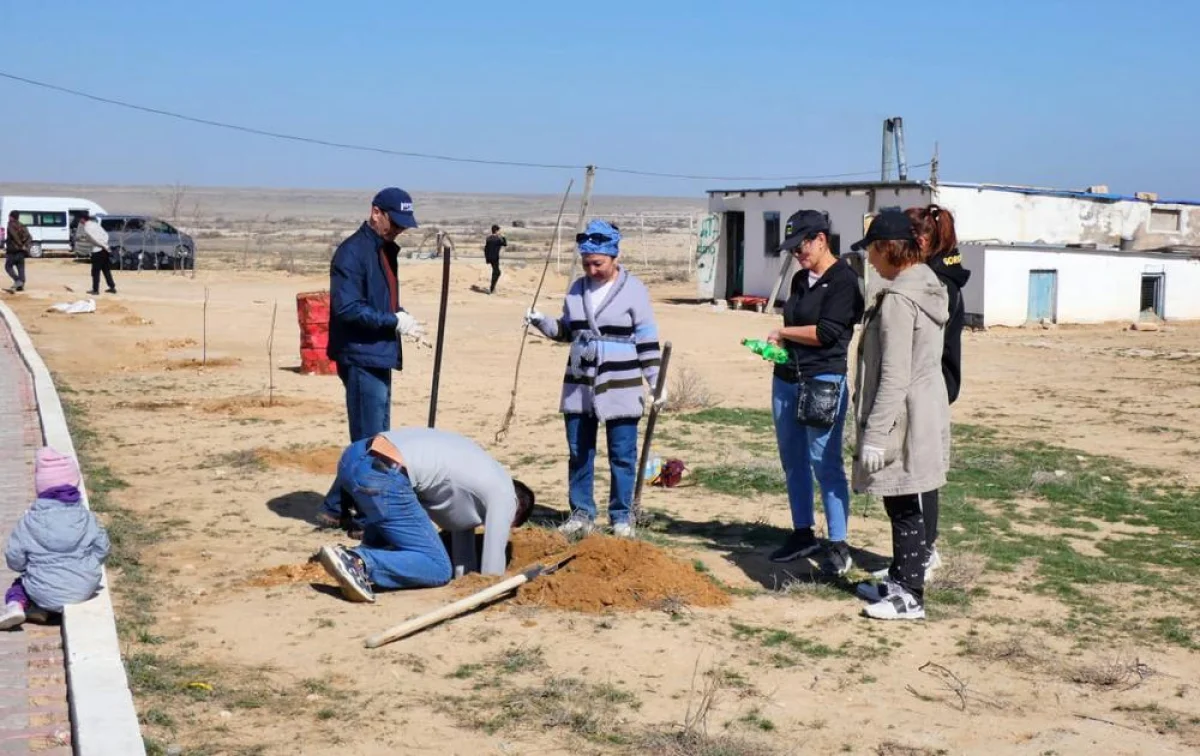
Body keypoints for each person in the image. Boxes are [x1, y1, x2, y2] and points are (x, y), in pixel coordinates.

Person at [525, 220, 664, 538]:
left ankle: (621, 516)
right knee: (579, 450)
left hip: (622, 384)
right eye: (587, 263)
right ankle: (581, 513)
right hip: (580, 382)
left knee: (623, 454)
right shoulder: (576, 288)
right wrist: (541, 322)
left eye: (598, 263)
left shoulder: (634, 290)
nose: (592, 269)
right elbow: (566, 331)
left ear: (614, 257)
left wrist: (656, 380)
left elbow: (646, 338)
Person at [849, 210, 950, 621]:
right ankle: (900, 576)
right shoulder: (928, 286)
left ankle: (910, 594)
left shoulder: (898, 301)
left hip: (904, 413)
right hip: (925, 406)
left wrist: (876, 433)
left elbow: (893, 373)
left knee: (902, 499)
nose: (870, 260)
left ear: (888, 248)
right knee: (905, 496)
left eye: (873, 251)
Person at [317, 429, 536, 603]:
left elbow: (462, 547)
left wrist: (464, 580)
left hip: (354, 458)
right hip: (384, 476)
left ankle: (352, 557)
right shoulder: (505, 494)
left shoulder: (480, 474)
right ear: (515, 510)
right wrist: (492, 590)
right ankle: (357, 562)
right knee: (438, 567)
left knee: (398, 534)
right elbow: (491, 573)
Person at [318, 188, 428, 530]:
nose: (398, 231)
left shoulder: (383, 250)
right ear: (375, 212)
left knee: (374, 437)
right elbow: (347, 308)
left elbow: (379, 301)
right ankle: (352, 510)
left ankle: (337, 506)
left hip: (379, 352)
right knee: (370, 441)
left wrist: (400, 315)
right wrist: (392, 321)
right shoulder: (352, 253)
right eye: (394, 223)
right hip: (361, 355)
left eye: (402, 226)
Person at [765, 210, 865, 575]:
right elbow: (797, 323)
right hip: (787, 377)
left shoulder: (844, 280)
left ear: (821, 239)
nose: (797, 254)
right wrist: (780, 347)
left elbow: (825, 333)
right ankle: (802, 531)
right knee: (793, 460)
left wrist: (783, 333)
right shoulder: (799, 280)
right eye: (792, 249)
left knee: (826, 463)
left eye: (801, 246)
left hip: (823, 382)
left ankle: (838, 542)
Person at [905, 204, 970, 578]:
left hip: (932, 385)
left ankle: (924, 551)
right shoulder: (940, 278)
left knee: (921, 476)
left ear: (923, 239)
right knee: (917, 472)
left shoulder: (938, 284)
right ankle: (921, 549)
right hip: (935, 383)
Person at [2, 448, 111, 629]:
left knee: (20, 584)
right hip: (83, 587)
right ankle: (43, 608)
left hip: (42, 591)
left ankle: (16, 606)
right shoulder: (86, 517)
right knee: (51, 584)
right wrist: (89, 564)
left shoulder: (28, 521)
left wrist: (28, 568)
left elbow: (14, 559)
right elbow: (103, 548)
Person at [76, 209, 116, 296]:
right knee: (106, 270)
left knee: (95, 271)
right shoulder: (95, 224)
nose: (79, 221)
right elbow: (105, 234)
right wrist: (105, 244)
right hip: (104, 250)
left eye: (79, 219)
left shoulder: (87, 228)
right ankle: (112, 287)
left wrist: (103, 245)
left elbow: (95, 239)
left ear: (82, 219)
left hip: (97, 250)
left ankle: (95, 289)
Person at [4, 211, 32, 293]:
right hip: (21, 252)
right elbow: (29, 237)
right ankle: (21, 285)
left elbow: (14, 236)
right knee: (20, 268)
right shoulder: (22, 226)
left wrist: (20, 245)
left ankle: (17, 280)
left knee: (8, 267)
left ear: (11, 217)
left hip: (13, 251)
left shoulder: (10, 224)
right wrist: (26, 246)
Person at [483, 224, 507, 294]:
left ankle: (492, 288)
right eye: (499, 231)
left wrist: (487, 259)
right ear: (496, 231)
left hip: (490, 258)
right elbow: (505, 244)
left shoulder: (488, 238)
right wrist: (503, 237)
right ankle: (492, 289)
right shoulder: (498, 239)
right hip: (495, 258)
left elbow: (486, 249)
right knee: (497, 272)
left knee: (495, 272)